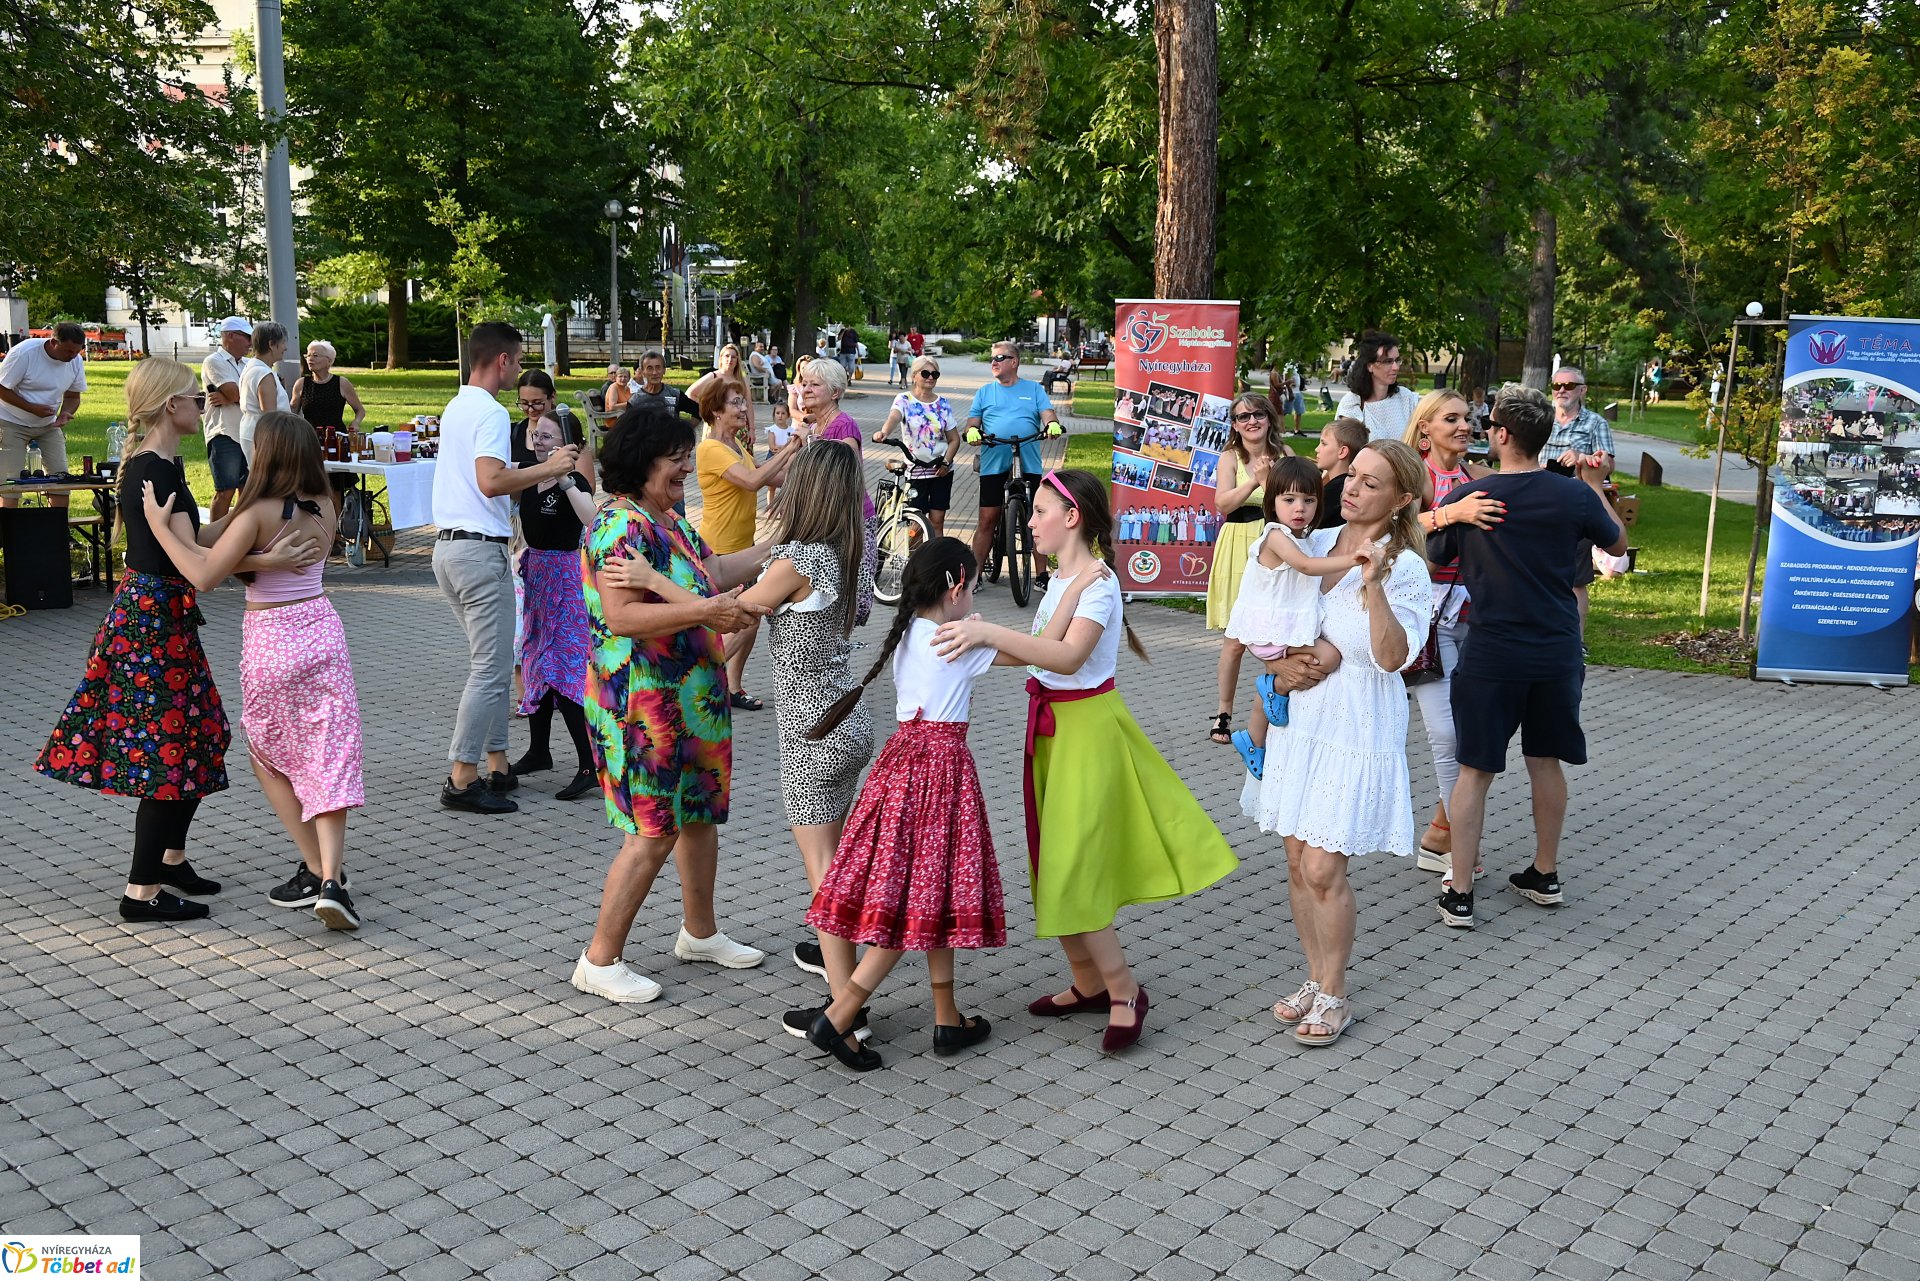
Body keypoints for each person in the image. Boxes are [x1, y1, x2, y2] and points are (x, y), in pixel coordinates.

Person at [933, 469, 1238, 1053]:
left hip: (1088, 730)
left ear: (1070, 518)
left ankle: (1124, 991)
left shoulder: (1097, 585)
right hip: (1053, 729)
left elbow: (1067, 657)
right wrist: (964, 644)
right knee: (1052, 860)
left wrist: (986, 633)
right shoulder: (1069, 581)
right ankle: (1087, 983)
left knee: (1075, 864)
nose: (1029, 521)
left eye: (1040, 511)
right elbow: (1039, 648)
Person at [35, 359, 316, 923]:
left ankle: (170, 859)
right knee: (170, 749)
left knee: (203, 734)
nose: (207, 401)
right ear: (172, 407)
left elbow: (200, 539)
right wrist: (269, 557)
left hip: (165, 619)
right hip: (150, 624)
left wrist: (245, 517)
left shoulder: (165, 463)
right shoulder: (153, 471)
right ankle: (141, 894)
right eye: (198, 395)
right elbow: (199, 567)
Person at [567, 402, 773, 1004]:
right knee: (653, 831)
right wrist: (709, 611)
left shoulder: (672, 522)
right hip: (642, 702)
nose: (685, 465)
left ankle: (699, 933)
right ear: (641, 460)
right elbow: (622, 615)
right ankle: (598, 959)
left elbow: (713, 569)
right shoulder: (618, 526)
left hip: (694, 696)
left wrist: (782, 544)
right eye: (674, 457)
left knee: (700, 817)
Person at [140, 411, 367, 930]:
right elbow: (208, 538)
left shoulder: (257, 513)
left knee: (268, 755)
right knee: (328, 753)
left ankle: (312, 866)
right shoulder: (325, 505)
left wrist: (158, 527)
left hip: (271, 641)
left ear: (263, 455)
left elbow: (203, 572)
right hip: (322, 631)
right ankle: (332, 879)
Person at [1240, 439, 1434, 1047]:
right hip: (1300, 723)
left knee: (1324, 868)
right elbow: (1263, 620)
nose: (1351, 488)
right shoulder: (1313, 546)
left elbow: (1393, 657)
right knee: (1298, 862)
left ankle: (1336, 994)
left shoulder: (1406, 567)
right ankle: (1314, 977)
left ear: (1401, 499)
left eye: (1371, 483)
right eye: (1351, 476)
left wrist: (1372, 584)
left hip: (1354, 727)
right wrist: (1272, 670)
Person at [798, 539, 1004, 1072]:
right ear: (956, 585)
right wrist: (987, 628)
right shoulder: (963, 640)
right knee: (920, 903)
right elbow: (1050, 651)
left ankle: (946, 1016)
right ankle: (841, 1013)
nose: (976, 595)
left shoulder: (910, 631)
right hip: (941, 774)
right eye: (975, 585)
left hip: (901, 768)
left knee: (930, 895)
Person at [1428, 385, 1627, 930]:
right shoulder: (1574, 496)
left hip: (1491, 651)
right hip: (1557, 651)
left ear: (1500, 434)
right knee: (1546, 761)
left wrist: (1449, 520)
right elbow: (1617, 545)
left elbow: (1426, 559)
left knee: (1475, 770)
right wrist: (1592, 484)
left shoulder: (1470, 500)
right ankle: (1545, 872)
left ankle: (1462, 891)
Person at [721, 444, 876, 1028]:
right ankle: (834, 956)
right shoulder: (850, 553)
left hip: (811, 729)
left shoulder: (801, 559)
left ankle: (846, 1011)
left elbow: (734, 611)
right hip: (846, 718)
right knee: (831, 858)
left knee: (824, 873)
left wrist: (652, 586)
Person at [432, 322, 580, 816]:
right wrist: (552, 467)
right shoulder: (491, 411)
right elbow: (491, 480)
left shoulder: (457, 405)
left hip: (449, 550)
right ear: (501, 361)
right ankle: (462, 776)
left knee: (491, 664)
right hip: (476, 551)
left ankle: (497, 765)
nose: (518, 371)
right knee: (490, 669)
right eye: (517, 362)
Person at [1401, 391, 1504, 875]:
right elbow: (1390, 528)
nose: (1465, 426)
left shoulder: (1473, 476)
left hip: (1474, 619)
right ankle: (1462, 851)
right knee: (1446, 736)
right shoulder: (1415, 474)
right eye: (1452, 419)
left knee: (1471, 732)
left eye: (1469, 418)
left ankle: (1440, 836)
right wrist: (1450, 514)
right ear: (1425, 428)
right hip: (1428, 622)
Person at [1224, 457, 1357, 779]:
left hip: (1277, 631)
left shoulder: (1301, 537)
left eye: (1309, 500)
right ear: (1273, 503)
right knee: (1328, 655)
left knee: (1273, 691)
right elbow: (1307, 566)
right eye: (1289, 500)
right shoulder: (1275, 535)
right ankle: (1277, 688)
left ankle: (1254, 741)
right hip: (1269, 633)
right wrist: (1356, 558)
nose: (1300, 508)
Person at [695, 379, 803, 709]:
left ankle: (732, 686)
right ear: (715, 411)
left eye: (743, 402)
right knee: (742, 622)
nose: (744, 409)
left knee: (750, 622)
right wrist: (791, 446)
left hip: (745, 546)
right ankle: (698, 679)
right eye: (736, 403)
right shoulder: (710, 449)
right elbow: (754, 481)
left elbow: (770, 477)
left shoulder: (736, 447)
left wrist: (809, 476)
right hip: (722, 550)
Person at [510, 412, 600, 802]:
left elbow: (593, 519)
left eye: (548, 435)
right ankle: (539, 751)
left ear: (569, 444)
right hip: (537, 578)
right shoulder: (529, 476)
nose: (540, 440)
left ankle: (589, 766)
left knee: (563, 673)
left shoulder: (573, 481)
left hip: (565, 580)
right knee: (535, 666)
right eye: (536, 435)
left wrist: (564, 479)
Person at [1206, 393, 1289, 746]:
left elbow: (1288, 502)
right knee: (1237, 641)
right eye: (1242, 417)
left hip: (1274, 542)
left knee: (1279, 634)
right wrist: (1254, 479)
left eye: (1257, 414)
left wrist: (1270, 477)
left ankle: (1277, 704)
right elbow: (1223, 502)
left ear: (1269, 418)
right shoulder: (1229, 458)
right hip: (1238, 541)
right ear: (1235, 425)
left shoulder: (1285, 457)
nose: (1251, 421)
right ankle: (1224, 712)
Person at [960, 340, 1063, 586]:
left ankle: (1041, 575)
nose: (994, 362)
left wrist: (1052, 424)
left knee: (1039, 517)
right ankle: (974, 578)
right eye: (992, 359)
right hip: (994, 458)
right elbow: (972, 421)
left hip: (1027, 460)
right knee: (987, 518)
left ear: (1014, 362)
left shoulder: (1034, 390)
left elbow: (1047, 412)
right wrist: (972, 432)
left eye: (999, 358)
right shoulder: (985, 392)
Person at [1546, 366, 1618, 640]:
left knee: (1575, 579)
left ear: (1582, 390)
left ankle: (1576, 641)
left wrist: (1582, 456)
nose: (1562, 390)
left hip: (1575, 506)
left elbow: (1608, 464)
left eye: (1569, 385)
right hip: (1538, 502)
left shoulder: (1595, 423)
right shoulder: (1541, 419)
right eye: (1556, 386)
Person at [0, 321, 87, 509]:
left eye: (77, 352)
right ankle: (7, 533)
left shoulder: (75, 361)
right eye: (69, 351)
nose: (73, 357)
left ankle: (57, 531)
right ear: (54, 342)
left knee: (61, 478)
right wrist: (32, 408)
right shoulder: (24, 354)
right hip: (10, 422)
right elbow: (1, 389)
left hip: (49, 426)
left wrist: (65, 413)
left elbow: (73, 396)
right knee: (9, 480)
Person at [875, 355, 958, 535]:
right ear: (914, 376)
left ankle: (935, 562)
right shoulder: (904, 399)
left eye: (935, 374)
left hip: (940, 470)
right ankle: (914, 560)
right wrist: (884, 433)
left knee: (937, 520)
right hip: (916, 470)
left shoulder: (943, 404)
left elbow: (954, 439)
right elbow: (894, 417)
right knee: (916, 524)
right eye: (925, 373)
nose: (930, 377)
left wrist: (946, 462)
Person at [796, 357, 877, 523]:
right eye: (804, 384)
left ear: (835, 392)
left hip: (848, 521)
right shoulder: (814, 426)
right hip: (827, 517)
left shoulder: (844, 425)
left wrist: (808, 445)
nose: (807, 390)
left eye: (815, 385)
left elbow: (846, 477)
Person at [198, 317, 253, 518]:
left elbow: (244, 394)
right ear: (230, 336)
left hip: (248, 433)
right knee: (225, 491)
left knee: (247, 492)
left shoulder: (248, 363)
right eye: (246, 337)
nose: (250, 342)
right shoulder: (214, 361)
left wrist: (232, 396)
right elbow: (235, 393)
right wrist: (234, 396)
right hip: (224, 432)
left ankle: (240, 536)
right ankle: (215, 539)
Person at [1336, 330, 1422, 442]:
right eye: (1388, 361)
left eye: (1397, 360)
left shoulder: (1406, 397)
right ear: (1369, 366)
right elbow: (1350, 449)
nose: (1396, 367)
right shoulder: (1352, 403)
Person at [290, 340, 366, 440]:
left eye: (315, 355)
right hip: (309, 439)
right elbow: (292, 412)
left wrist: (356, 422)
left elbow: (360, 410)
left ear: (329, 361)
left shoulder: (342, 383)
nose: (310, 359)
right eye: (308, 356)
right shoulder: (301, 383)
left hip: (336, 438)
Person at [238, 322, 288, 465]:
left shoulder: (252, 367)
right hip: (265, 438)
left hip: (254, 432)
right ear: (272, 344)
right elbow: (270, 417)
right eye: (283, 342)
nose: (286, 347)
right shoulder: (263, 373)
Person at [1313, 416, 1368, 530]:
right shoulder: (1336, 485)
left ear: (1342, 451)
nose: (1317, 449)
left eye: (1323, 443)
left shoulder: (1336, 491)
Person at [689, 343, 757, 435]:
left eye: (733, 357)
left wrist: (752, 429)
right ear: (721, 358)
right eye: (727, 356)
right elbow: (691, 393)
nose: (730, 360)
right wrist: (708, 410)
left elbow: (749, 404)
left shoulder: (742, 379)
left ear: (737, 360)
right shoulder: (713, 376)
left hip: (739, 428)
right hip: (718, 426)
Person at [629, 350, 700, 420]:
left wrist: (685, 430)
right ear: (642, 372)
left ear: (664, 370)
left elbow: (699, 411)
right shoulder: (635, 401)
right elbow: (628, 427)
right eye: (649, 368)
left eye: (658, 367)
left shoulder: (674, 394)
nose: (654, 372)